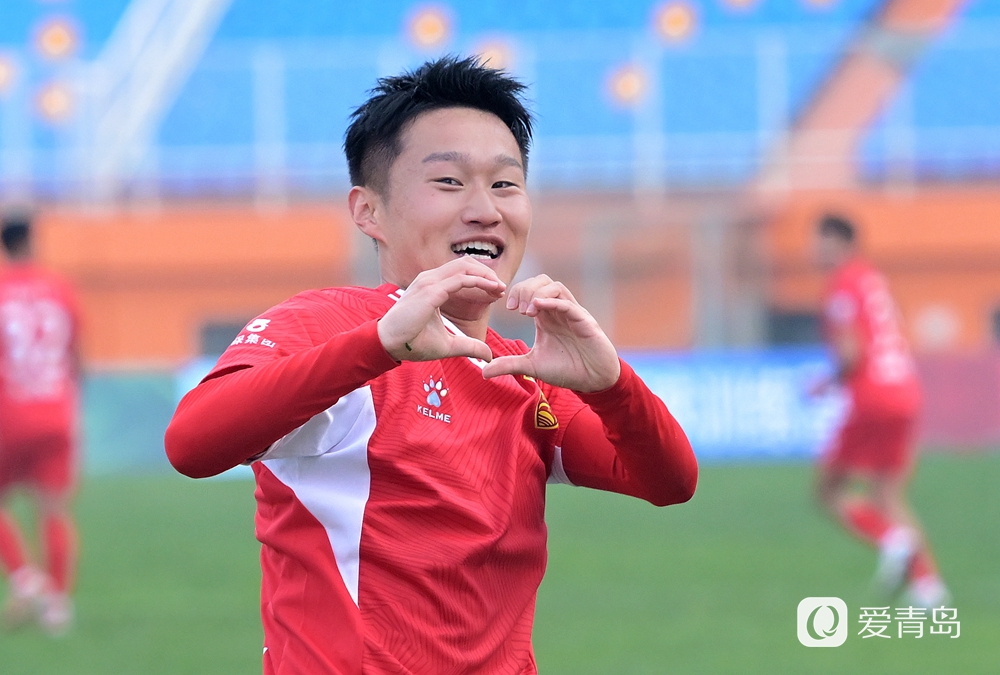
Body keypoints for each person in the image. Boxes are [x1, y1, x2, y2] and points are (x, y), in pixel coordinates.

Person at [165, 56, 698, 674]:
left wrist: (612, 385)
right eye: (449, 182)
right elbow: (192, 444)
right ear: (368, 211)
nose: (485, 210)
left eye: (505, 184)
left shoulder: (520, 371)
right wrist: (378, 346)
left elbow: (669, 483)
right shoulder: (327, 325)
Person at [812, 213, 947, 607]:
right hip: (904, 391)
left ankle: (893, 540)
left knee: (828, 490)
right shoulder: (872, 279)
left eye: (820, 241)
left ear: (840, 244)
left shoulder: (842, 285)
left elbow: (851, 352)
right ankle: (929, 587)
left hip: (872, 397)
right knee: (887, 494)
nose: (814, 250)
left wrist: (827, 382)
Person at [0, 214, 81, 635]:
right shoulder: (59, 288)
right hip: (56, 409)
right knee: (54, 508)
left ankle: (24, 576)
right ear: (31, 241)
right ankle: (57, 606)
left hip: (10, 413)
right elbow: (76, 352)